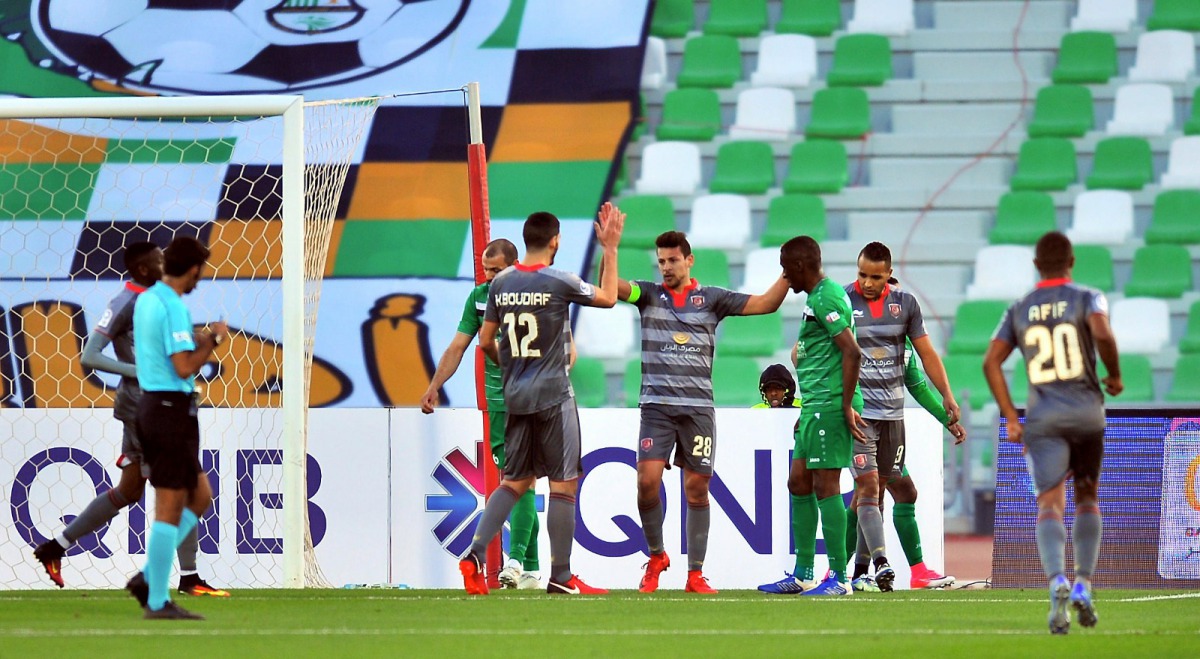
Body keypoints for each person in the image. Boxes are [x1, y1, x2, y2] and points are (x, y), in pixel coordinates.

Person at [33, 242, 229, 598]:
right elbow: (90, 356)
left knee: (129, 490)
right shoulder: (127, 302)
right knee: (184, 490)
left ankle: (55, 547)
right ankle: (187, 578)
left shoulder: (155, 300)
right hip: (148, 404)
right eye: (158, 260)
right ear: (142, 269)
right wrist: (140, 371)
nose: (164, 263)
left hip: (146, 403)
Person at [459, 204, 624, 596]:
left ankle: (475, 554)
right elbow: (608, 298)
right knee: (563, 486)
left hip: (515, 396)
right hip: (553, 395)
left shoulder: (500, 284)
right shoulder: (559, 280)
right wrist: (610, 248)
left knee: (514, 482)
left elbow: (486, 340)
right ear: (555, 241)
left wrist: (510, 367)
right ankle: (561, 577)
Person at [620, 231, 789, 595]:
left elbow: (765, 304)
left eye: (672, 260)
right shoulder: (647, 294)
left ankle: (695, 574)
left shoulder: (712, 299)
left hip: (697, 409)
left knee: (696, 489)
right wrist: (608, 247)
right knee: (646, 482)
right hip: (657, 407)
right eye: (661, 261)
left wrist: (789, 274)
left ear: (689, 260)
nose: (666, 267)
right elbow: (611, 291)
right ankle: (656, 555)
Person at [983, 231, 1121, 634]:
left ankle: (1056, 579)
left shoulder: (1019, 307)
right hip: (1087, 414)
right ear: (1071, 261)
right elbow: (1102, 333)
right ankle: (1083, 584)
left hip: (1043, 419)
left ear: (1035, 265)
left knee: (1049, 504)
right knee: (1088, 497)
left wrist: (1012, 416)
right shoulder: (1089, 297)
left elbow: (991, 362)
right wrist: (1113, 375)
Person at [420, 238, 544, 590]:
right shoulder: (478, 297)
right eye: (486, 270)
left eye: (496, 270)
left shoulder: (534, 296)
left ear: (514, 266)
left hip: (533, 398)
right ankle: (531, 569)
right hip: (499, 403)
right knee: (518, 479)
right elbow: (458, 346)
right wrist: (434, 385)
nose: (489, 277)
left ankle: (515, 561)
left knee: (522, 479)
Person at [840, 243, 962, 593]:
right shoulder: (842, 301)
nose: (867, 283)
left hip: (893, 420)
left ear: (889, 276)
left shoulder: (905, 312)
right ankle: (862, 569)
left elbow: (921, 371)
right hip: (860, 418)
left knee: (891, 493)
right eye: (862, 274)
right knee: (870, 492)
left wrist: (947, 401)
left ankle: (856, 572)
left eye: (876, 277)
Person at [126, 236, 228, 620]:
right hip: (169, 410)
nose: (200, 279)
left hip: (158, 407)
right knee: (169, 508)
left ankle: (148, 576)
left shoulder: (148, 299)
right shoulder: (172, 305)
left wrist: (197, 340)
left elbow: (163, 349)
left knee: (200, 495)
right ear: (193, 269)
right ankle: (156, 601)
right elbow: (184, 366)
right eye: (201, 272)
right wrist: (213, 341)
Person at [759, 235, 865, 597]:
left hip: (831, 404)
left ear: (800, 266)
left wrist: (845, 405)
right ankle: (803, 573)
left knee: (826, 485)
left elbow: (852, 352)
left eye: (786, 268)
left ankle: (840, 577)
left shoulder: (826, 297)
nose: (784, 276)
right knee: (798, 482)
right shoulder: (817, 298)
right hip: (814, 405)